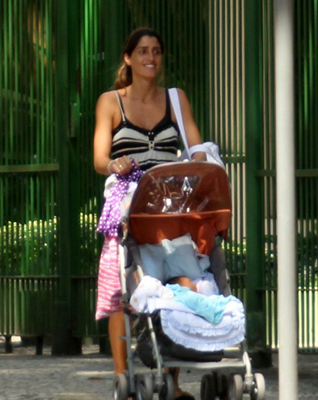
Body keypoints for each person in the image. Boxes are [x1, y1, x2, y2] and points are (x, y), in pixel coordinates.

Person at [93, 27, 205, 400]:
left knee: (182, 281)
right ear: (128, 58)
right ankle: (123, 377)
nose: (150, 58)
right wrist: (115, 164)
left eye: (156, 51)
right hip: (127, 205)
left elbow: (194, 143)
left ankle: (172, 380)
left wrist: (201, 160)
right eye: (142, 51)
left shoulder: (175, 99)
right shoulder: (111, 102)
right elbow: (98, 159)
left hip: (170, 206)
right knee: (117, 289)